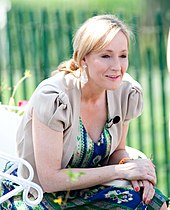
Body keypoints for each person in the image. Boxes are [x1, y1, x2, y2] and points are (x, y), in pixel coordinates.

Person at [0, 14, 169, 210]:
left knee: (153, 202)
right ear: (83, 59)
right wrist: (120, 171)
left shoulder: (124, 92)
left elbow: (117, 151)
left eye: (123, 55)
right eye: (105, 55)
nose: (117, 67)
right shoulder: (55, 98)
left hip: (88, 188)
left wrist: (137, 173)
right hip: (36, 194)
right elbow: (50, 179)